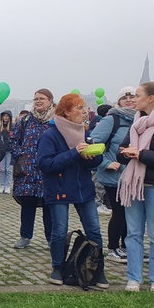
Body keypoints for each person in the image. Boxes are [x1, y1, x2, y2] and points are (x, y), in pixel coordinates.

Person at [37, 93, 108, 288]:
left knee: (94, 229)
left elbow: (96, 161)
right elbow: (45, 164)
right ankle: (57, 267)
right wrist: (74, 153)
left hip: (83, 189)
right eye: (79, 108)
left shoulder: (84, 132)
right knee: (59, 231)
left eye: (84, 108)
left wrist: (92, 156)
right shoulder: (50, 134)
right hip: (59, 189)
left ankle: (97, 269)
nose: (84, 112)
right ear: (67, 112)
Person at [117, 81, 154, 292]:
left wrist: (142, 155)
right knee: (133, 233)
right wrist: (124, 153)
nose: (134, 99)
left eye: (138, 95)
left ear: (151, 98)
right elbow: (122, 149)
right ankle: (133, 278)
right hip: (132, 185)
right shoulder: (137, 121)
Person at [90, 87, 136, 263]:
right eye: (125, 97)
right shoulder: (112, 119)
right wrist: (106, 163)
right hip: (114, 176)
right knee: (119, 213)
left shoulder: (140, 119)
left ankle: (127, 246)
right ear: (119, 100)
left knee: (132, 214)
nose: (130, 100)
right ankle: (112, 248)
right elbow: (93, 145)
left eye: (133, 96)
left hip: (134, 176)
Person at [11, 88, 54, 249]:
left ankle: (51, 238)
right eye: (36, 99)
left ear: (50, 100)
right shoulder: (27, 120)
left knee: (49, 206)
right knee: (27, 205)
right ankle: (25, 236)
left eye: (42, 98)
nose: (38, 101)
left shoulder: (56, 120)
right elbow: (14, 139)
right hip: (27, 171)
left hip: (48, 170)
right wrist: (19, 154)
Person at [0, 110, 13, 194]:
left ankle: (7, 186)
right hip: (2, 151)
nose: (5, 118)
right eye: (4, 116)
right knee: (2, 169)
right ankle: (2, 185)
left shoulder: (12, 127)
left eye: (7, 116)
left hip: (10, 151)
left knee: (9, 169)